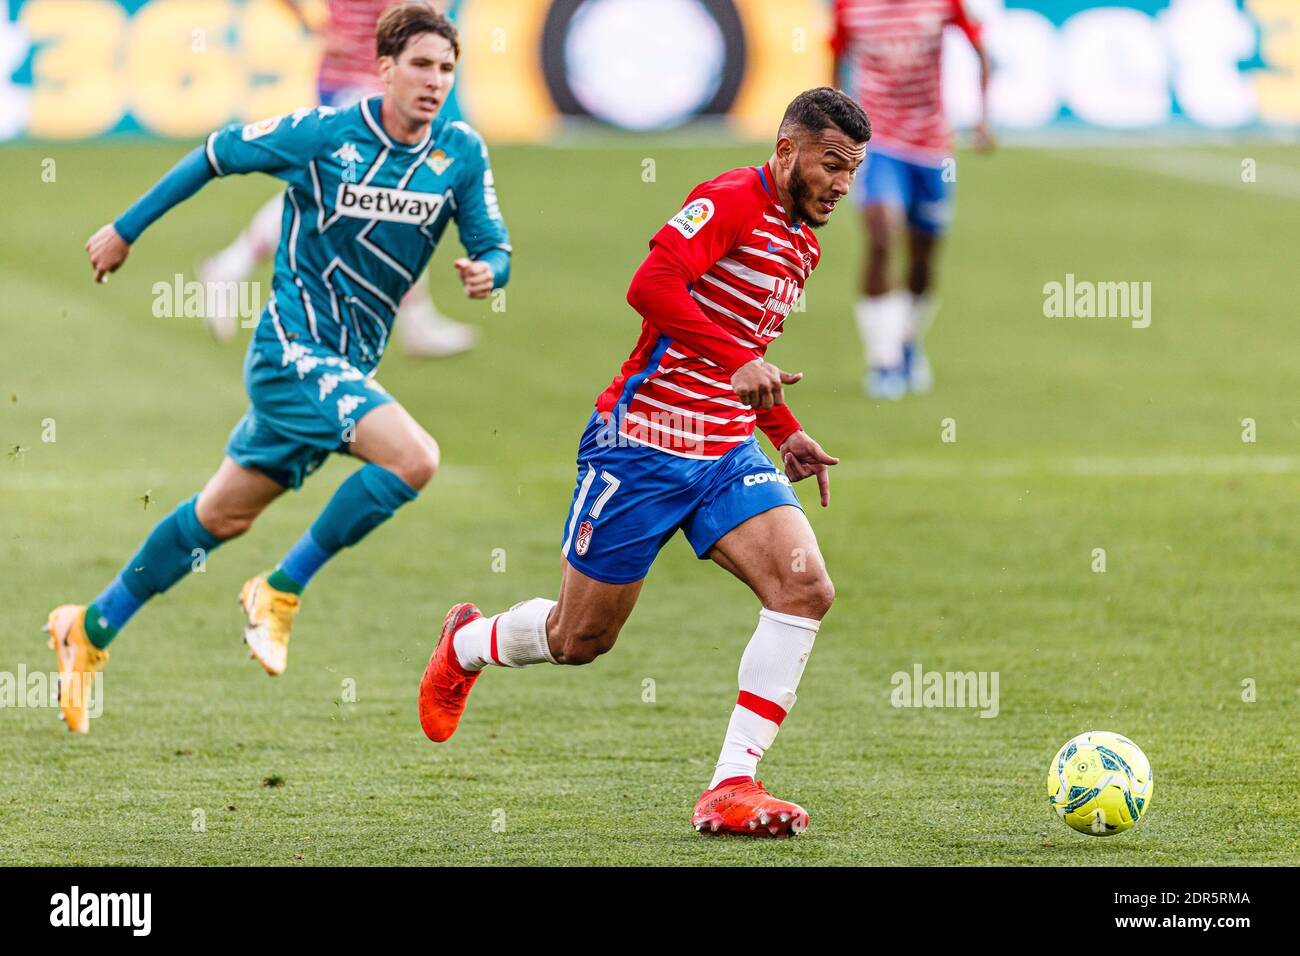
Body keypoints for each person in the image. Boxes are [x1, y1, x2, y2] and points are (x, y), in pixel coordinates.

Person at [418, 88, 871, 838]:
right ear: (787, 151)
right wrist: (736, 362)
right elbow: (650, 286)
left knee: (805, 589)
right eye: (831, 165)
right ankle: (466, 642)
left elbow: (743, 348)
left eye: (852, 170)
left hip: (727, 448)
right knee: (579, 640)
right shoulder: (727, 199)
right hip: (643, 445)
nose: (842, 185)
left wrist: (783, 430)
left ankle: (731, 786)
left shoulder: (804, 244)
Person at [47, 2, 510, 734]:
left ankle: (90, 628)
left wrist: (489, 271)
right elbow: (213, 154)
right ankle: (281, 590)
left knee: (219, 516)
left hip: (344, 366)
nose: (435, 81)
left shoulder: (461, 154)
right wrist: (124, 231)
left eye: (447, 68)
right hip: (291, 354)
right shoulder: (324, 134)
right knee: (414, 458)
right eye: (421, 65)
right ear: (384, 68)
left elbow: (492, 240)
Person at [199, 0, 478, 357]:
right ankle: (417, 322)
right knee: (390, 196)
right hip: (358, 86)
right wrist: (319, 30)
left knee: (363, 196)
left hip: (366, 81)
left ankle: (229, 267)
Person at [832, 0, 992, 399]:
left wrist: (982, 117)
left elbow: (982, 50)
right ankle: (882, 360)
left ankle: (907, 340)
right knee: (882, 238)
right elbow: (835, 61)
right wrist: (834, 129)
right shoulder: (850, 7)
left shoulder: (943, 4)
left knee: (922, 258)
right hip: (877, 143)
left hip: (932, 147)